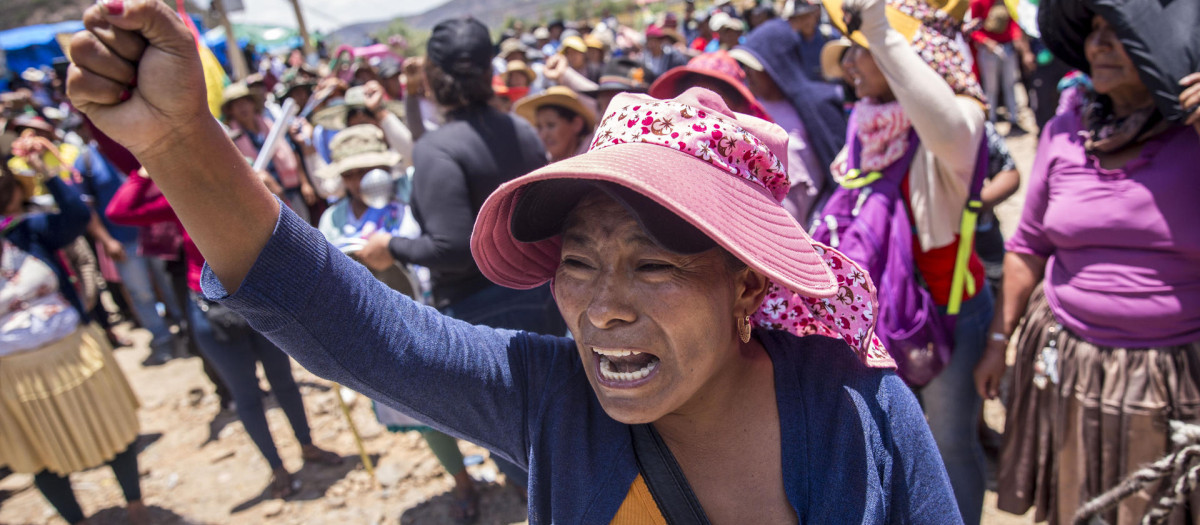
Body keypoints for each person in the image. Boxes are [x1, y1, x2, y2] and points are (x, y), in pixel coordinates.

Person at [68, 5, 961, 522]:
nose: (601, 307)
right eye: (579, 261)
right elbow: (356, 326)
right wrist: (182, 141)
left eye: (652, 265)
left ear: (747, 286)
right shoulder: (549, 400)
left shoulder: (861, 407)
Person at [973, 10, 1200, 524]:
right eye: (1094, 29)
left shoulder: (1192, 134)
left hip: (1175, 378)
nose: (1099, 43)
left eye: (1120, 31)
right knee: (1080, 500)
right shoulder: (1064, 130)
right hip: (1071, 365)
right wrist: (998, 341)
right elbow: (1028, 244)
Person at [815, 0, 994, 522]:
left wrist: (881, 31)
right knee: (893, 440)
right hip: (884, 319)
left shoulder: (955, 131)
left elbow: (949, 126)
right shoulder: (865, 129)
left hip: (947, 312)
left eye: (862, 52)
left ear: (905, 59)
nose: (850, 65)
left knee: (948, 445)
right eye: (848, 52)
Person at [105, 166, 343, 499]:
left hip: (260, 301)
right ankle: (276, 467)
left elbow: (291, 235)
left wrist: (270, 188)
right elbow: (120, 212)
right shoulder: (183, 201)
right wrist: (143, 174)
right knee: (245, 395)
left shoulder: (246, 189)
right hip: (211, 312)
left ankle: (307, 445)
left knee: (284, 380)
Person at [315, 125, 482, 522]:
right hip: (376, 330)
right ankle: (462, 480)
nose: (362, 180)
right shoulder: (331, 221)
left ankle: (508, 467)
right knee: (421, 409)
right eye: (353, 173)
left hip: (434, 314)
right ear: (342, 178)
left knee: (473, 394)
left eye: (370, 169)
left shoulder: (411, 202)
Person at [0, 163, 147, 525]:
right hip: (14, 373)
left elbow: (78, 215)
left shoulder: (29, 230)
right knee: (40, 453)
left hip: (74, 351)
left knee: (113, 427)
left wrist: (47, 173)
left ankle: (137, 508)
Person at [733, 19, 848, 225]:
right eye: (743, 65)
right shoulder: (747, 107)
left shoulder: (817, 105)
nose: (746, 72)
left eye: (752, 66)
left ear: (776, 64)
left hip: (815, 226)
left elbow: (839, 167)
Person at [968, 0, 1034, 132]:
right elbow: (972, 28)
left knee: (1010, 85)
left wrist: (1016, 38)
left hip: (1008, 48)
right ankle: (991, 122)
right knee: (991, 88)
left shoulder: (1006, 2)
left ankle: (1014, 120)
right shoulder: (978, 3)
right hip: (988, 51)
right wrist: (986, 42)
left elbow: (1013, 21)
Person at [514, 86, 597, 163]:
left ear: (576, 124)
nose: (543, 135)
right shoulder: (541, 164)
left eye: (551, 125)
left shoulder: (593, 161)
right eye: (539, 127)